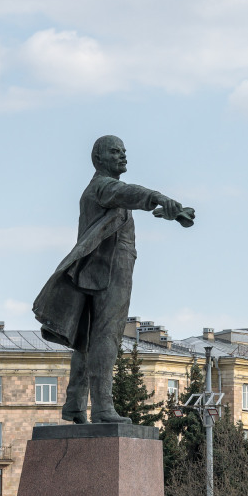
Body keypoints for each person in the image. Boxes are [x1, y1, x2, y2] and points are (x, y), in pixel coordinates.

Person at [33, 135, 194, 424]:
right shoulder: (102, 186)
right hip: (110, 269)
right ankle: (103, 406)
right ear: (98, 159)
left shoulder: (100, 189)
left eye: (124, 152)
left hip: (96, 269)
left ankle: (75, 403)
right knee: (108, 334)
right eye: (115, 152)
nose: (123, 157)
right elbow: (127, 192)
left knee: (88, 337)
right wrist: (158, 197)